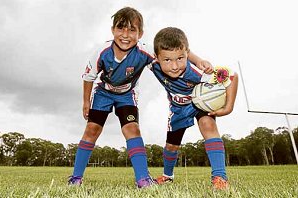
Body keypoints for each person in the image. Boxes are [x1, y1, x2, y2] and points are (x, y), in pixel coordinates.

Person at [68, 7, 212, 188]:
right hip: (103, 93)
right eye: (121, 28)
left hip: (127, 95)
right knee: (92, 130)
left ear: (141, 33)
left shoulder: (144, 52)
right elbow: (89, 77)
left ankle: (143, 179)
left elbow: (174, 50)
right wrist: (85, 103)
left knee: (132, 130)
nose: (125, 34)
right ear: (113, 30)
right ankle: (75, 178)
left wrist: (198, 62)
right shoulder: (102, 52)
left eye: (132, 30)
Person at [150, 27, 238, 190]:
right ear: (157, 57)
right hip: (178, 108)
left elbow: (231, 75)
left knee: (208, 125)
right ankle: (167, 176)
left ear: (186, 54)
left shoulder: (201, 72)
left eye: (180, 58)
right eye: (167, 60)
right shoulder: (152, 62)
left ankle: (219, 178)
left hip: (200, 104)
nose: (174, 66)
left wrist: (228, 107)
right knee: (171, 146)